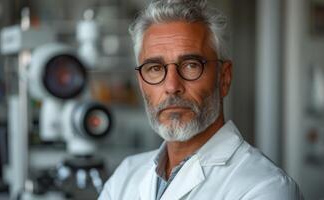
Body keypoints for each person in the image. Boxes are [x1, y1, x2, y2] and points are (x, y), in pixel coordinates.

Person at [99, 0, 304, 199]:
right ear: (141, 83)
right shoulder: (125, 176)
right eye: (155, 68)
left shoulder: (265, 188)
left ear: (224, 78)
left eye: (191, 65)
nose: (172, 87)